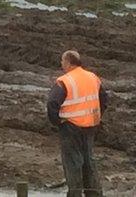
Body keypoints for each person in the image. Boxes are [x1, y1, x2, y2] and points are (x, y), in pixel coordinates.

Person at [46, 50, 108, 197]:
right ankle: (94, 194)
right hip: (91, 125)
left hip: (71, 126)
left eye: (62, 61)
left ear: (68, 62)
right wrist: (96, 115)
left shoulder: (65, 81)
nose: (61, 64)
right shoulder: (93, 77)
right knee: (89, 161)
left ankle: (74, 194)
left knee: (73, 162)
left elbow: (52, 103)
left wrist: (57, 121)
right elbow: (104, 99)